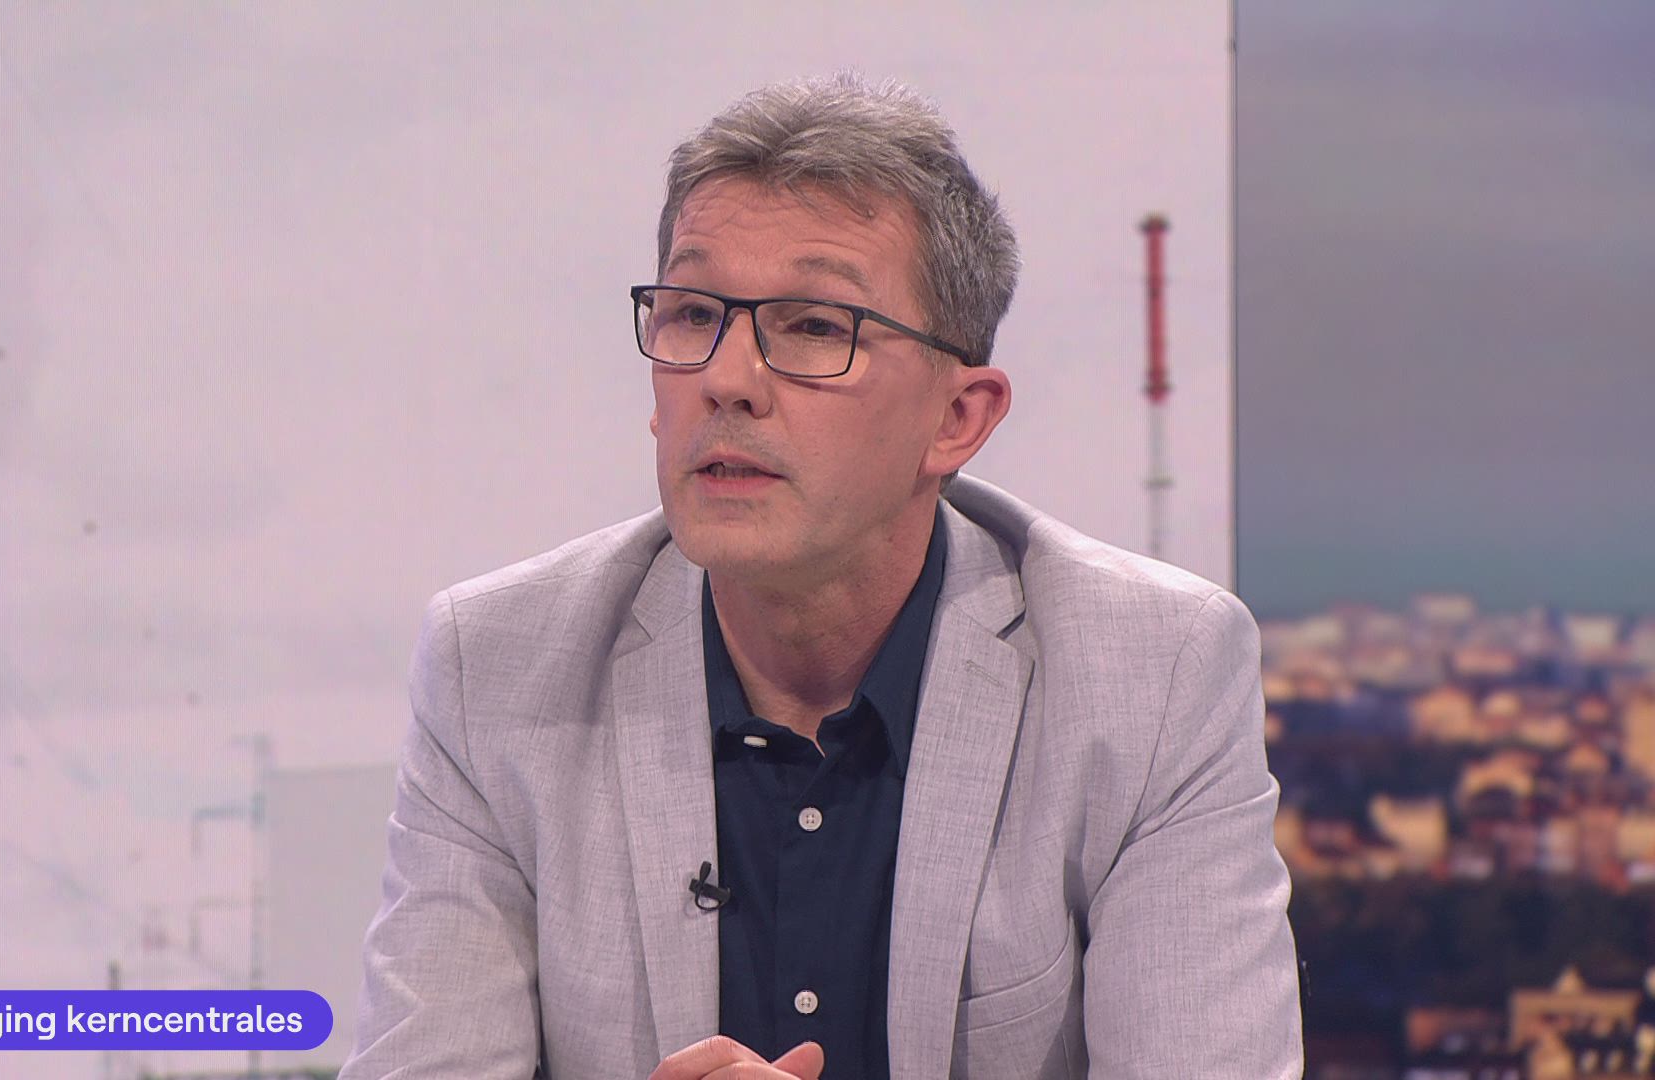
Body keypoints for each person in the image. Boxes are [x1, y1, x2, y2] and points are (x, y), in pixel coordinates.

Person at [342, 73, 1301, 1079]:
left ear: (957, 419)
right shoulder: (496, 667)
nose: (726, 380)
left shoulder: (1151, 674)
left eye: (811, 327)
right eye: (692, 313)